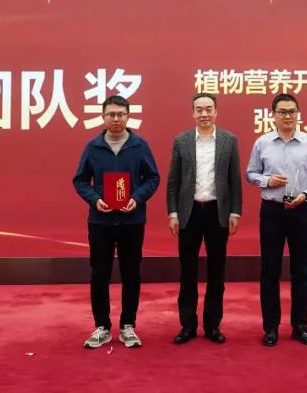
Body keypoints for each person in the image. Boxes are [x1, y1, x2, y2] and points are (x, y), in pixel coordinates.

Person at [72, 95, 160, 349]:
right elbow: (80, 180)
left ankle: (128, 325)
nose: (116, 119)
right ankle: (102, 326)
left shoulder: (139, 145)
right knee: (99, 274)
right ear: (103, 117)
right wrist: (95, 199)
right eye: (111, 114)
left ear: (128, 116)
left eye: (121, 114)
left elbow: (152, 178)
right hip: (100, 221)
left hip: (132, 221)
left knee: (131, 273)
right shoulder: (93, 147)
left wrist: (137, 198)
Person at [245, 93, 307, 347]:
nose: (287, 116)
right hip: (272, 212)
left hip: (301, 212)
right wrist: (267, 181)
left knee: (301, 271)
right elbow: (250, 173)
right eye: (282, 112)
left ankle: (300, 326)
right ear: (273, 114)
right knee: (269, 271)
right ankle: (271, 327)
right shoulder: (262, 143)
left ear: (298, 114)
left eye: (292, 111)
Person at [166, 93, 243, 345]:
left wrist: (235, 212)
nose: (204, 114)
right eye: (199, 109)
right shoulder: (182, 140)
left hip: (217, 213)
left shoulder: (229, 140)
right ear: (193, 113)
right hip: (189, 213)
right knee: (187, 272)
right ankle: (187, 325)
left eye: (208, 109)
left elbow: (234, 180)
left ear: (216, 111)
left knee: (216, 272)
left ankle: (212, 326)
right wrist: (173, 213)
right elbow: (173, 181)